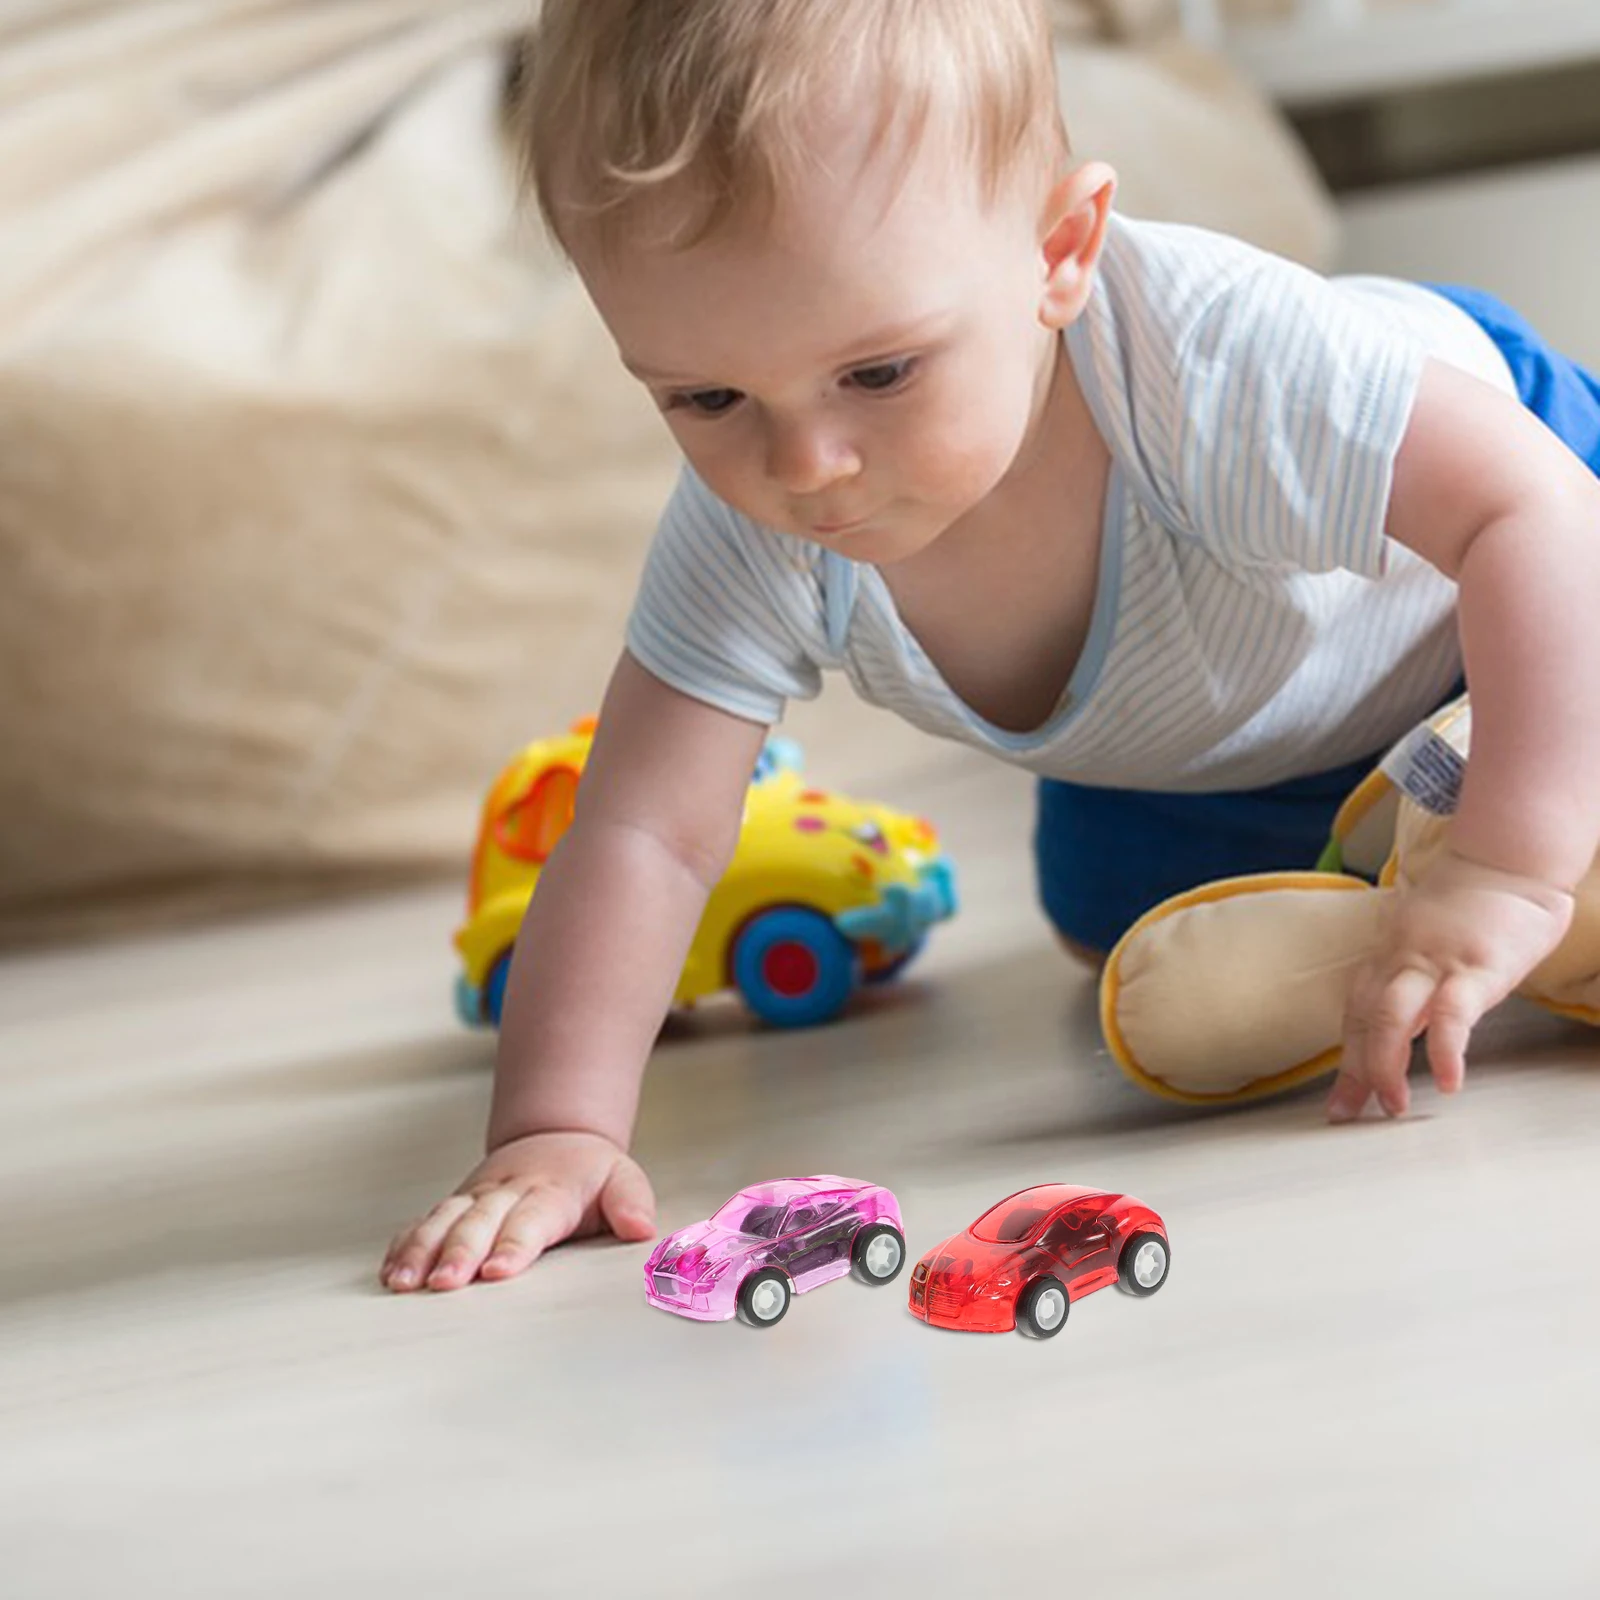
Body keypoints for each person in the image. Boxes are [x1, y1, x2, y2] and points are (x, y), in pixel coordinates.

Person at [381, 0, 1600, 1293]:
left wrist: (1513, 868)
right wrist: (554, 1129)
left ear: (1059, 251)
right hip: (1246, 734)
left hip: (1522, 548)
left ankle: (1527, 824)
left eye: (882, 372)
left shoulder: (1215, 360)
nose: (804, 465)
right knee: (1119, 933)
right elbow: (642, 829)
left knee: (1543, 742)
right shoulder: (750, 536)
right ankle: (1408, 846)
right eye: (708, 397)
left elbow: (1530, 513)